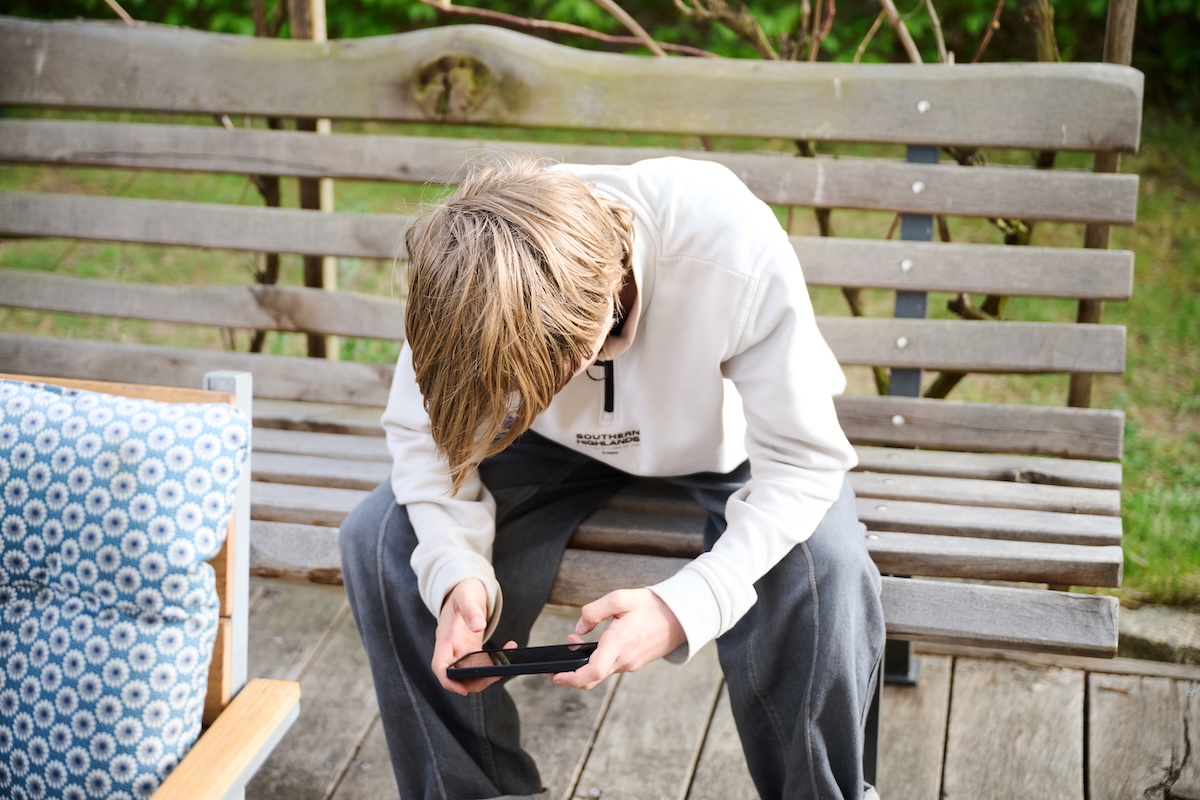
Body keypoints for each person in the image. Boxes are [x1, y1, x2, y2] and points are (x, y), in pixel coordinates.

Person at [339, 154, 886, 800]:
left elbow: (804, 461)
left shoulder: (731, 243)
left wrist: (684, 606)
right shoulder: (471, 272)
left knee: (826, 564)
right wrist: (454, 569)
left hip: (723, 445)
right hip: (541, 446)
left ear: (600, 314)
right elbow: (425, 434)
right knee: (383, 540)